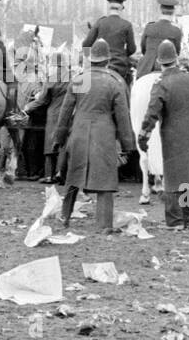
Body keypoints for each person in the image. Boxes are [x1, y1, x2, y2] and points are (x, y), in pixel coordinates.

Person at [52, 39, 135, 234]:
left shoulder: (80, 79)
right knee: (105, 180)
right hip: (104, 134)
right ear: (107, 60)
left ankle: (65, 216)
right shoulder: (115, 82)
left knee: (74, 176)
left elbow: (65, 113)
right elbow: (123, 117)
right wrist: (127, 144)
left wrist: (59, 139)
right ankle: (104, 224)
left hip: (79, 132)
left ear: (91, 59)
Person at [137, 40, 189, 231]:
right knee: (186, 179)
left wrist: (143, 135)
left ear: (159, 62)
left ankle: (175, 220)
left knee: (173, 178)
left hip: (172, 134)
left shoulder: (161, 83)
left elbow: (152, 113)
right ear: (176, 59)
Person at [22, 51, 71, 184]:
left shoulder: (51, 79)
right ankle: (61, 173)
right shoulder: (73, 77)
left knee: (50, 145)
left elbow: (42, 100)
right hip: (68, 115)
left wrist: (27, 107)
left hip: (53, 114)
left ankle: (49, 175)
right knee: (63, 144)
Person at [81, 0, 136, 87]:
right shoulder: (127, 25)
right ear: (121, 8)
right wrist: (121, 53)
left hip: (99, 64)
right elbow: (132, 49)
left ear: (109, 8)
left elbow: (86, 44)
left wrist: (91, 56)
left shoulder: (100, 22)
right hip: (119, 66)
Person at [135, 0, 183, 78]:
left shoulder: (149, 27)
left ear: (160, 10)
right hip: (167, 68)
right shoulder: (176, 31)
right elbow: (176, 53)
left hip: (146, 68)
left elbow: (143, 49)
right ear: (173, 12)